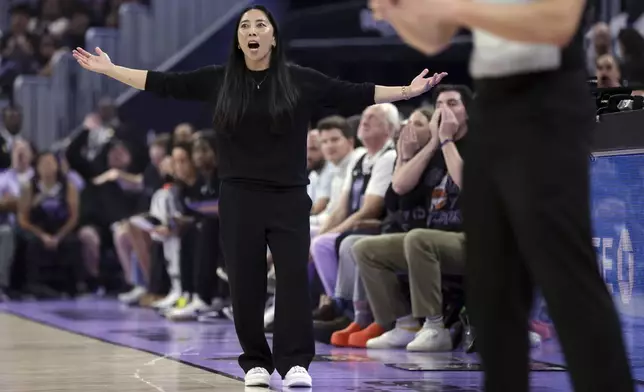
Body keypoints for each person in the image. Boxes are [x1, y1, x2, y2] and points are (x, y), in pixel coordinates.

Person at [72, 4, 446, 388]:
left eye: (260, 25)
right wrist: (112, 70)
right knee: (246, 283)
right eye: (245, 26)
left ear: (272, 36)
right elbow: (163, 82)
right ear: (239, 39)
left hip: (288, 196)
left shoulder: (297, 79)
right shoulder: (219, 80)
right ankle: (255, 362)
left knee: (291, 281)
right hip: (238, 196)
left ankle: (295, 361)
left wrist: (409, 91)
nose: (252, 30)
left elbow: (352, 93)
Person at [369, 1, 634, 391]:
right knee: (492, 280)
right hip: (492, 102)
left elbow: (557, 24)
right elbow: (434, 37)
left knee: (563, 269)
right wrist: (394, 11)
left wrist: (457, 7)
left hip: (547, 98)